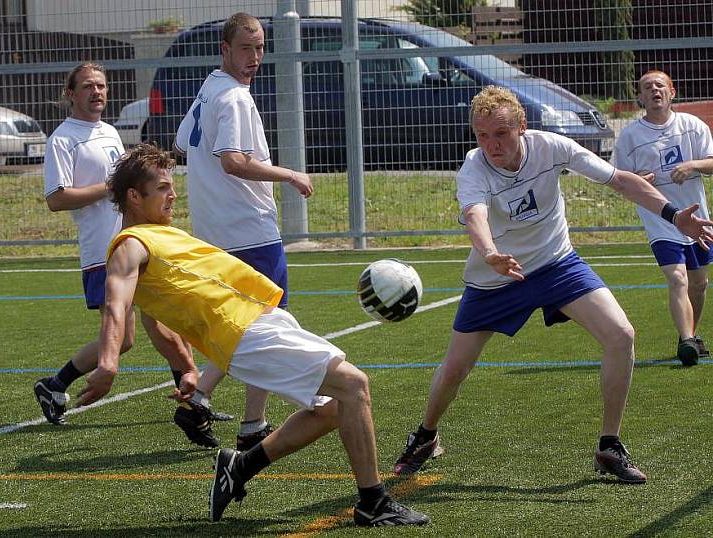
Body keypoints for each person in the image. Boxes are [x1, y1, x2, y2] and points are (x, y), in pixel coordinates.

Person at [74, 143, 428, 527]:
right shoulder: (130, 246)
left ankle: (240, 467)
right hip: (244, 333)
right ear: (133, 196)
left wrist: (186, 367)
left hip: (262, 319)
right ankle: (373, 503)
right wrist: (108, 363)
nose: (173, 194)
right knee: (354, 385)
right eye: (162, 187)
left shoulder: (160, 235)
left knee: (334, 408)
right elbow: (116, 303)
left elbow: (154, 315)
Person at [392, 85, 713, 484]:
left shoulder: (552, 147)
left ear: (522, 127)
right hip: (496, 277)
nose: (492, 144)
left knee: (621, 335)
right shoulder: (474, 168)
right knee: (456, 367)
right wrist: (490, 253)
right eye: (483, 135)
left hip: (557, 264)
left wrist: (673, 214)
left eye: (502, 133)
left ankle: (609, 445)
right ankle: (425, 436)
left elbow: (621, 181)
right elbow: (474, 214)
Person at [173, 12, 314, 450]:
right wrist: (289, 174)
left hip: (218, 230)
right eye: (245, 48)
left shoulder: (209, 89)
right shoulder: (233, 96)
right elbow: (232, 160)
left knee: (248, 325)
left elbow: (181, 143)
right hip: (249, 231)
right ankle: (248, 422)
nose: (254, 57)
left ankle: (209, 403)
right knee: (270, 324)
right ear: (226, 50)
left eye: (259, 47)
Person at [35, 62, 197, 425]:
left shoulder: (108, 131)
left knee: (164, 323)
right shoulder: (62, 139)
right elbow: (56, 198)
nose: (97, 93)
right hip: (103, 250)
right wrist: (111, 187)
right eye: (88, 86)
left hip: (137, 243)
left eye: (102, 86)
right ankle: (55, 384)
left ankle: (192, 402)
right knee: (124, 340)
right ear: (70, 94)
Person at [614, 70, 713, 366]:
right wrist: (638, 180)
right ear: (640, 97)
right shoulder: (630, 136)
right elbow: (620, 180)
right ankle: (686, 340)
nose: (654, 90)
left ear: (672, 92)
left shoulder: (691, 126)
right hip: (661, 221)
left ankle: (692, 335)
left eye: (660, 85)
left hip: (696, 219)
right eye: (647, 87)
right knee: (677, 278)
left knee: (699, 283)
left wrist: (692, 165)